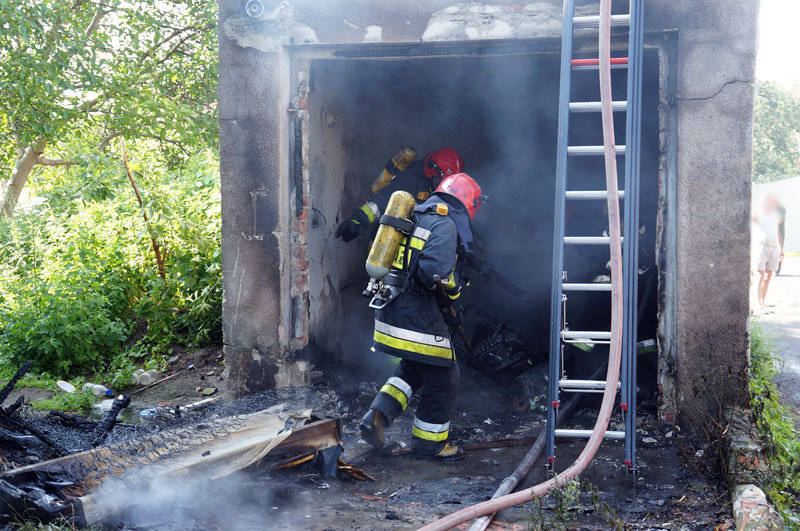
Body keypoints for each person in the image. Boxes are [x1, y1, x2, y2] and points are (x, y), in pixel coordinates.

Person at [359, 173, 483, 461]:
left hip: (390, 311)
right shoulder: (445, 223)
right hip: (415, 317)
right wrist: (453, 294)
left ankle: (377, 415)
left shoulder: (417, 214)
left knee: (414, 368)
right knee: (446, 376)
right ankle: (430, 446)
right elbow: (433, 274)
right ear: (469, 203)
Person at [335, 147, 465, 242]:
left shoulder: (441, 190)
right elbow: (382, 201)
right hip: (387, 246)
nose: (444, 186)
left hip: (418, 249)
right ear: (432, 170)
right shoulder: (410, 178)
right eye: (442, 181)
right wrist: (359, 220)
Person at [753, 194, 784, 311]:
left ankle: (763, 301)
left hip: (774, 247)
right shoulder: (759, 214)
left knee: (768, 276)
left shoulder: (776, 216)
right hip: (762, 247)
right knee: (760, 275)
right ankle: (758, 304)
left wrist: (781, 249)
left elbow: (777, 231)